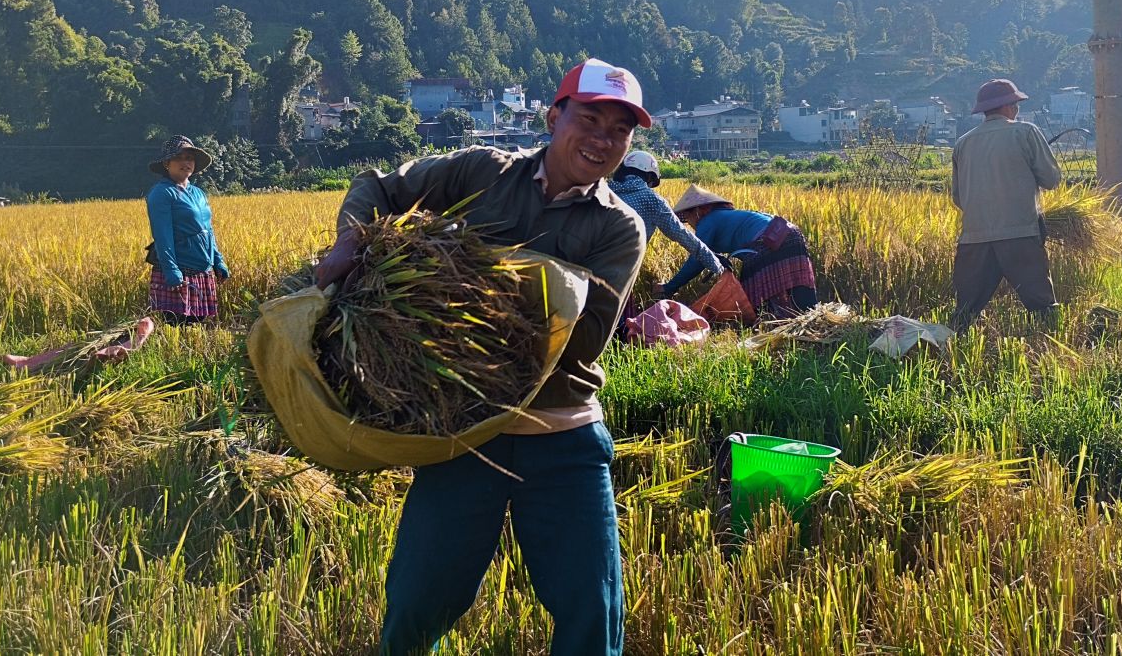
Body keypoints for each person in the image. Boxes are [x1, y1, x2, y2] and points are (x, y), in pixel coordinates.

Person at [313, 57, 649, 656]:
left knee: (591, 617)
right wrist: (350, 242)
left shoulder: (620, 227)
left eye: (618, 131)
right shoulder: (481, 172)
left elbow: (584, 335)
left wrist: (457, 280)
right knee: (416, 605)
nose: (602, 139)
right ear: (553, 117)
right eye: (590, 119)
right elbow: (379, 186)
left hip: (562, 438)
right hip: (465, 435)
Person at [949, 78, 1062, 332]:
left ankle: (951, 355)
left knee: (965, 311)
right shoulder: (1026, 133)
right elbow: (1052, 179)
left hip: (973, 239)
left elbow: (958, 198)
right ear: (1010, 107)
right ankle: (1051, 349)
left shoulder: (962, 144)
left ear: (984, 110)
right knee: (1043, 307)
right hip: (1020, 234)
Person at [660, 185, 819, 318]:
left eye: (688, 217)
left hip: (767, 241)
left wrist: (670, 287)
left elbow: (697, 259)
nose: (689, 223)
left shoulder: (707, 221)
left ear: (698, 211)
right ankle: (813, 318)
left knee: (752, 291)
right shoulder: (724, 216)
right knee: (798, 281)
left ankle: (771, 321)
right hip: (789, 233)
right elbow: (709, 254)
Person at [608, 150, 726, 292]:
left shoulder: (600, 191)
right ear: (648, 176)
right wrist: (717, 265)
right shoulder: (651, 199)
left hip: (583, 267)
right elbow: (684, 236)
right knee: (614, 312)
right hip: (619, 274)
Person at [145, 135, 229, 324]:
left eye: (189, 158)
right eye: (179, 157)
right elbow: (162, 236)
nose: (186, 162)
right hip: (180, 270)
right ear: (167, 163)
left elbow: (207, 230)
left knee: (197, 325)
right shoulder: (161, 193)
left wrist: (218, 261)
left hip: (202, 268)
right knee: (177, 326)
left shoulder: (198, 193)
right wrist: (171, 271)